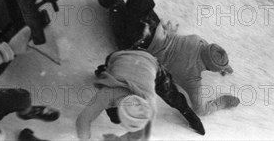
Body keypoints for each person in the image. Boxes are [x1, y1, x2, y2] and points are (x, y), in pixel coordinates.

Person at [80, 0, 240, 117]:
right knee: (117, 6)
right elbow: (200, 110)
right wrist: (224, 101)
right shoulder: (192, 80)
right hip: (137, 46)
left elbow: (210, 52)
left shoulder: (198, 42)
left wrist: (224, 65)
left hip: (151, 25)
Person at [76, 48, 205, 141]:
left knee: (172, 97)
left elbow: (142, 136)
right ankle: (105, 71)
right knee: (115, 119)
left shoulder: (148, 108)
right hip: (125, 57)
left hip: (136, 59)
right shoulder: (106, 95)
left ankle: (188, 113)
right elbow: (83, 120)